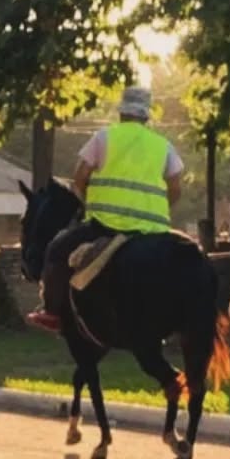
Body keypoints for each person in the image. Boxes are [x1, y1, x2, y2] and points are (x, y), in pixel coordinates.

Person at [27, 86, 184, 333]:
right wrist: (156, 210)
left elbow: (80, 177)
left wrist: (87, 201)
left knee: (56, 249)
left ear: (121, 113)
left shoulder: (103, 137)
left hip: (106, 224)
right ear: (146, 116)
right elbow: (175, 188)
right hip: (153, 228)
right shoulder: (164, 146)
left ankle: (52, 312)